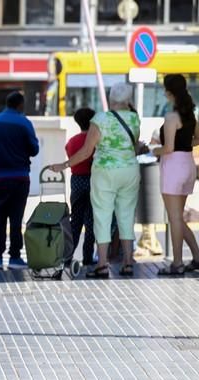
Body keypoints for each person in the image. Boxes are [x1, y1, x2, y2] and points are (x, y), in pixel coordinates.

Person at [49, 83, 144, 278]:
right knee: (125, 217)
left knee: (102, 216)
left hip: (105, 172)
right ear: (128, 100)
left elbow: (86, 151)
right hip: (130, 171)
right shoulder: (134, 118)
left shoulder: (100, 119)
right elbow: (134, 147)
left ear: (111, 99)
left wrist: (64, 165)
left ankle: (102, 264)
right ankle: (127, 263)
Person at [152, 74, 199, 275]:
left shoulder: (171, 117)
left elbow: (167, 148)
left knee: (174, 218)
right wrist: (184, 145)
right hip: (188, 164)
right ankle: (198, 258)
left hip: (173, 166)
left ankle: (177, 263)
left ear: (169, 93)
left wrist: (152, 150)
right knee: (178, 217)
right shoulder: (190, 115)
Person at [0, 91, 39, 270]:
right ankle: (14, 257)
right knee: (16, 219)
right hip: (19, 177)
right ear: (20, 105)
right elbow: (34, 149)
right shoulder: (25, 123)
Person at [65, 107, 96, 265]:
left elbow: (70, 156)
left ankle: (68, 256)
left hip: (76, 181)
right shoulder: (95, 141)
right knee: (91, 220)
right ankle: (88, 257)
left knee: (75, 220)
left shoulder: (72, 141)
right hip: (92, 180)